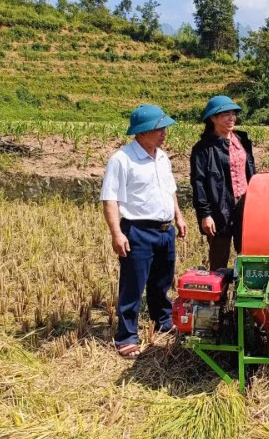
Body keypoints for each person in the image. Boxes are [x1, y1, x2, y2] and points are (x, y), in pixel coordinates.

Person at [100, 104, 188, 359]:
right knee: (133, 285)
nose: (164, 133)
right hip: (137, 230)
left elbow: (170, 191)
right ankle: (126, 336)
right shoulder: (122, 159)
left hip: (165, 230)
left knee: (162, 281)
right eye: (158, 129)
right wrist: (116, 233)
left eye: (164, 128)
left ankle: (162, 320)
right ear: (141, 132)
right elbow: (110, 199)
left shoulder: (162, 157)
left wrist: (179, 216)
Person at [190, 95, 255, 271]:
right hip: (219, 207)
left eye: (233, 113)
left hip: (245, 204)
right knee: (219, 258)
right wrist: (205, 214)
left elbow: (251, 172)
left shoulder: (242, 140)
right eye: (226, 114)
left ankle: (243, 287)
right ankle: (219, 289)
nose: (231, 118)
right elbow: (198, 183)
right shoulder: (203, 148)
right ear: (213, 118)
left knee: (247, 254)